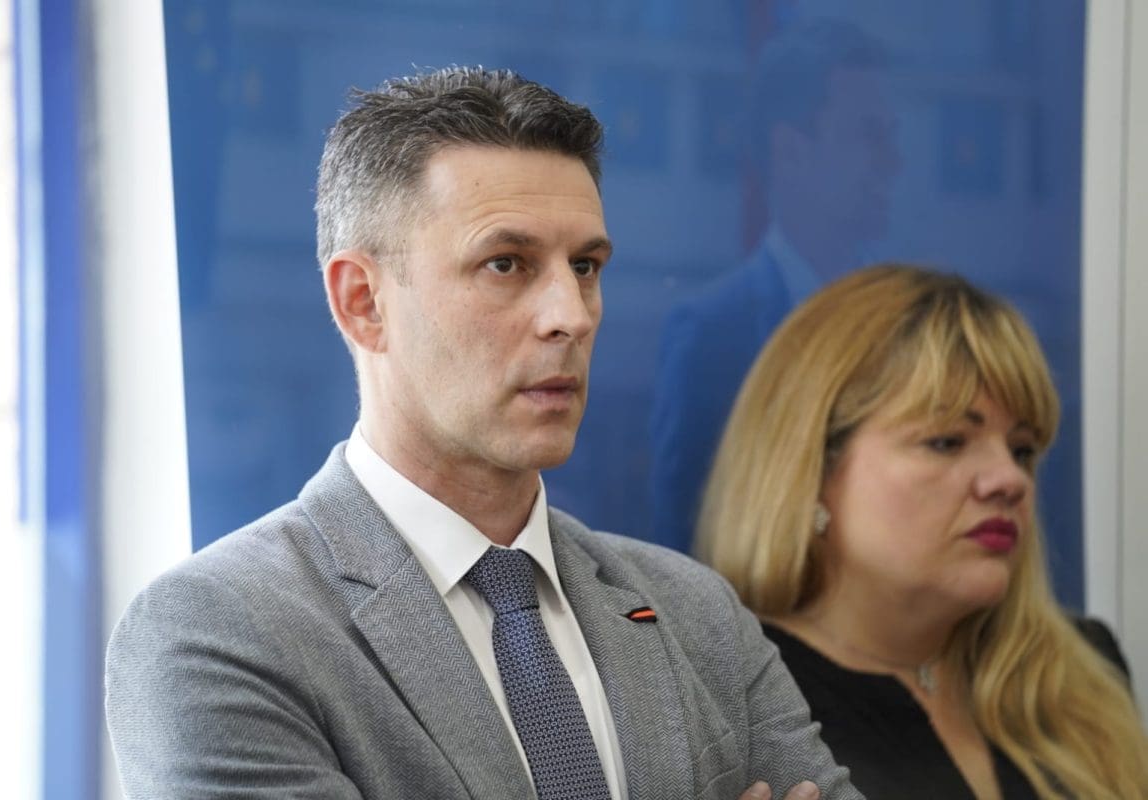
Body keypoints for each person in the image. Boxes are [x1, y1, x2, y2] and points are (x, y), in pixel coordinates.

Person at [104, 66, 863, 800]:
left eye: (585, 265)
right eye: (506, 264)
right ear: (364, 301)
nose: (570, 315)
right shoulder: (220, 632)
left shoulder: (693, 611)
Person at [696, 264, 1148, 799]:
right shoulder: (740, 697)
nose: (1009, 480)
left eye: (1022, 450)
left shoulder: (1081, 672)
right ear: (813, 469)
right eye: (947, 442)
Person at [650, 18, 900, 553]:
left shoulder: (907, 323)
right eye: (869, 136)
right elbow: (683, 543)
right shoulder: (711, 334)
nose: (893, 163)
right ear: (790, 151)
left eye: (889, 136)